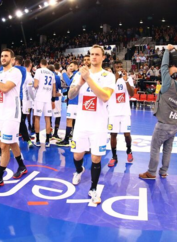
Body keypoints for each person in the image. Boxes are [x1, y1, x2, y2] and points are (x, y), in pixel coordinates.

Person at [69, 45, 115, 204]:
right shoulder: (79, 74)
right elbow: (70, 95)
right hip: (81, 123)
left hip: (99, 124)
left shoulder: (108, 76)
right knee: (77, 155)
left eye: (97, 54)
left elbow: (105, 96)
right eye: (92, 54)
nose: (94, 57)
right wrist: (80, 83)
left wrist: (88, 79)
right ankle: (78, 170)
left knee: (96, 157)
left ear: (103, 57)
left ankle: (94, 188)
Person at [0, 48, 27, 188]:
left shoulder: (15, 72)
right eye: (1, 56)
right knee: (12, 142)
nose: (3, 58)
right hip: (1, 113)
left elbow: (5, 88)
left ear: (12, 60)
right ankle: (22, 166)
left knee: (4, 145)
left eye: (6, 56)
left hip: (11, 113)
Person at [139, 44, 177, 179]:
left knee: (155, 147)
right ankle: (163, 171)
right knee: (168, 149)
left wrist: (167, 50)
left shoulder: (167, 84)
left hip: (164, 123)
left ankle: (151, 172)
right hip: (174, 123)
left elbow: (164, 67)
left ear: (171, 76)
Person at [107, 60, 134, 167]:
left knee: (127, 135)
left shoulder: (128, 78)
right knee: (113, 134)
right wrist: (116, 78)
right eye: (117, 66)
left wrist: (126, 81)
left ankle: (129, 151)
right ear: (114, 67)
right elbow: (107, 92)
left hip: (125, 112)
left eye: (120, 66)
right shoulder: (110, 79)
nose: (119, 67)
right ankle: (114, 157)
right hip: (113, 112)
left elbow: (131, 93)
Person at [33, 59, 56, 147]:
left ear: (40, 64)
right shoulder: (51, 73)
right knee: (48, 119)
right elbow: (54, 89)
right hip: (48, 98)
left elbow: (35, 85)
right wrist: (53, 100)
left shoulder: (38, 71)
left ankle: (38, 140)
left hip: (39, 97)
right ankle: (47, 140)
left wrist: (36, 86)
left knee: (37, 118)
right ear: (47, 64)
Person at [56, 61, 79, 147]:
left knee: (69, 119)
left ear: (77, 66)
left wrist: (64, 73)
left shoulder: (77, 74)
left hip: (74, 101)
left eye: (72, 66)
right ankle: (72, 136)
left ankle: (66, 140)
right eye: (69, 66)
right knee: (73, 120)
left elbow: (70, 84)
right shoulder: (75, 75)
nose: (70, 67)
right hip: (73, 100)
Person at [14, 55, 33, 147]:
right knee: (21, 119)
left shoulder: (15, 69)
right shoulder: (24, 70)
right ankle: (27, 138)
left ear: (16, 60)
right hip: (21, 98)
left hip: (14, 98)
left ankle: (14, 139)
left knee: (17, 120)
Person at [23, 59, 35, 148]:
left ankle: (24, 134)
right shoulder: (28, 76)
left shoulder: (20, 74)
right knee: (22, 118)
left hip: (20, 99)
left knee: (22, 118)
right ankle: (26, 136)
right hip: (26, 99)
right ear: (30, 65)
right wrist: (34, 98)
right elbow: (30, 90)